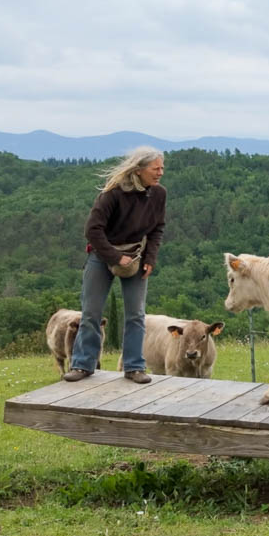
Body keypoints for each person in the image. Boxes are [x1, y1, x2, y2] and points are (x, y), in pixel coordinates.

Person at [62, 146, 167, 383]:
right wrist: (115, 257)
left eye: (162, 168)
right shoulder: (113, 193)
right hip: (102, 255)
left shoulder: (159, 194)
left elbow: (157, 229)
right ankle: (82, 365)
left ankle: (134, 367)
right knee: (91, 312)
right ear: (139, 170)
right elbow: (92, 230)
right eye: (155, 168)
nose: (160, 172)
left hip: (136, 257)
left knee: (136, 314)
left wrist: (150, 259)